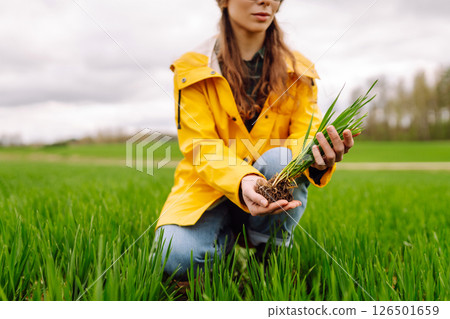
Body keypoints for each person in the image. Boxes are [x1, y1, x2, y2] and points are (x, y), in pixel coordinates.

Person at [154, 0, 356, 280]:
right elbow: (202, 148)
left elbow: (305, 134)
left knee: (283, 159)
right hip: (208, 191)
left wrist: (316, 158)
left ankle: (269, 257)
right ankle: (218, 250)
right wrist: (243, 180)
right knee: (173, 256)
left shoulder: (300, 71)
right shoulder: (192, 69)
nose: (265, 1)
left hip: (272, 187)